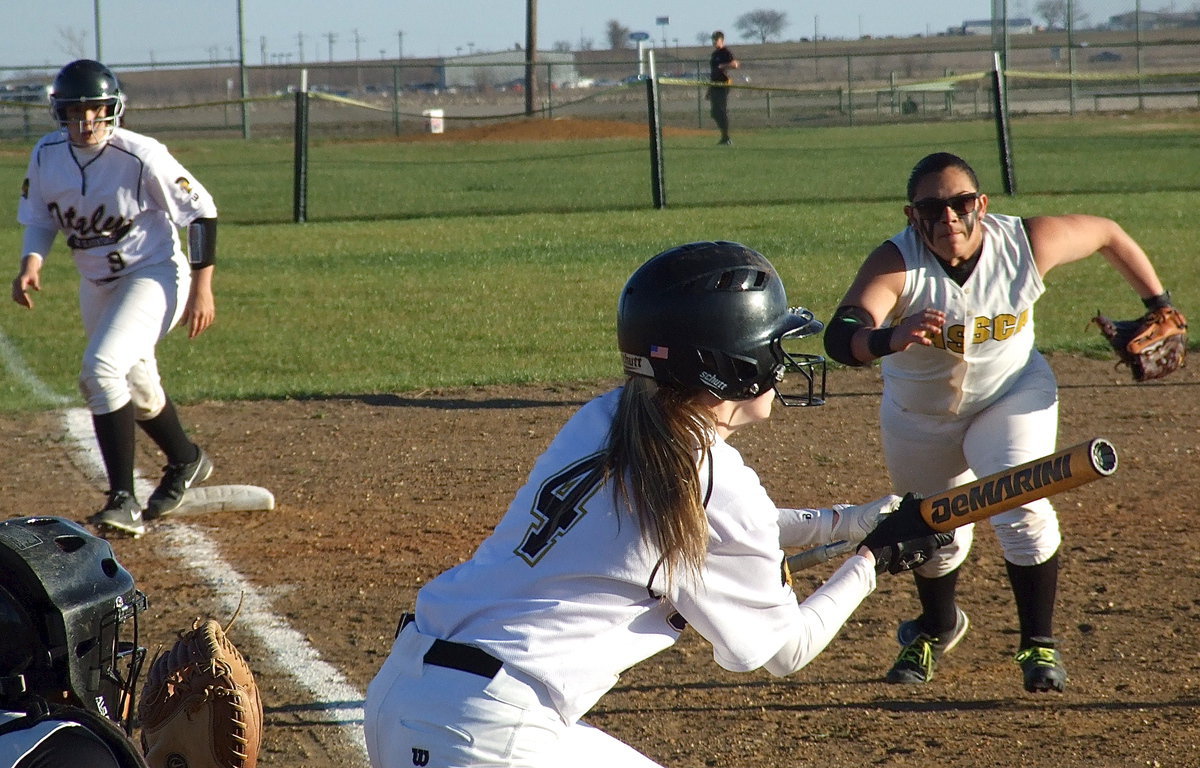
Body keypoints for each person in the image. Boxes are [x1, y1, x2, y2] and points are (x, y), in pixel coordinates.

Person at [364, 241, 950, 768]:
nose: (782, 359)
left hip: (405, 697)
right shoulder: (714, 476)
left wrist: (848, 523)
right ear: (730, 367)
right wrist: (872, 559)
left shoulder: (607, 418)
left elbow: (717, 526)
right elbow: (784, 650)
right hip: (492, 733)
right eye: (772, 345)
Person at [822, 151, 1179, 693]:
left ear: (981, 205)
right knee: (933, 527)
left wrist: (1160, 304)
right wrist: (885, 338)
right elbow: (840, 334)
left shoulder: (1026, 244)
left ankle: (1039, 644)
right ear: (912, 215)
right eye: (932, 209)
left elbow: (1108, 232)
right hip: (920, 415)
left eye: (962, 204)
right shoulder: (897, 263)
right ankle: (938, 627)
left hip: (1011, 392)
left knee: (1020, 503)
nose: (949, 220)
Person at [11, 59, 219, 538]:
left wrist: (203, 288)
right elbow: (40, 218)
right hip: (97, 283)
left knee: (101, 368)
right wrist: (32, 261)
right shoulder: (46, 155)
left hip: (153, 274)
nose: (86, 122)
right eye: (75, 111)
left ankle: (121, 499)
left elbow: (201, 213)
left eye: (96, 110)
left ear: (113, 109)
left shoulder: (140, 155)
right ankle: (187, 460)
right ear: (57, 113)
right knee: (138, 386)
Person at [708, 31, 739, 145]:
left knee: (721, 110)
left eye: (716, 40)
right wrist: (709, 89)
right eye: (713, 40)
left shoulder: (725, 52)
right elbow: (713, 72)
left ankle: (726, 137)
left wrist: (723, 66)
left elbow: (735, 64)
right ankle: (724, 136)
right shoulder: (714, 54)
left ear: (722, 41)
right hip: (714, 84)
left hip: (723, 84)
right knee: (714, 112)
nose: (714, 42)